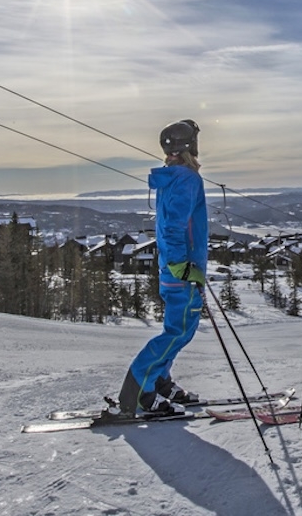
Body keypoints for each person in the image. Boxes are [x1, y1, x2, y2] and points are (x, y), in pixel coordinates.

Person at [110, 119, 209, 417]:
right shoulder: (187, 179)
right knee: (177, 333)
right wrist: (181, 265)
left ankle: (159, 380)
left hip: (177, 269)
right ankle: (140, 389)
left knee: (180, 330)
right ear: (190, 146)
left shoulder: (173, 178)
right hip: (182, 269)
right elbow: (173, 227)